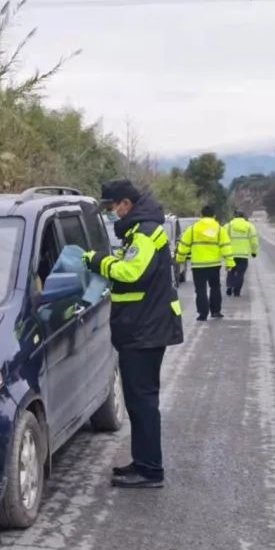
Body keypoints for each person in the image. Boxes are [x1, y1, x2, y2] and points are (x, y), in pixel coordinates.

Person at [84, 179, 183, 489]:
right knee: (139, 403)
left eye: (113, 205)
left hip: (145, 330)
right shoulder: (142, 229)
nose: (112, 212)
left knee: (142, 403)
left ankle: (151, 470)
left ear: (126, 203)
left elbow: (130, 272)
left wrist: (97, 261)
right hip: (143, 327)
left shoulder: (144, 233)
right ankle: (142, 462)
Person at [175, 205, 234, 321]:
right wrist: (229, 263)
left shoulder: (192, 229)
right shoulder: (219, 229)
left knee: (200, 289)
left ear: (201, 215)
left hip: (198, 265)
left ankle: (203, 314)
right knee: (215, 288)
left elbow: (183, 246)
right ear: (214, 216)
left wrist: (180, 259)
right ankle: (216, 311)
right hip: (214, 264)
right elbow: (226, 246)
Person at [224, 210, 258, 297]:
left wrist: (223, 252)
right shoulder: (250, 227)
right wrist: (254, 252)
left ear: (234, 216)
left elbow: (223, 239)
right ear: (244, 217)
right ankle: (237, 291)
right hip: (243, 255)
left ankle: (229, 286)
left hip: (230, 254)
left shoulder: (229, 226)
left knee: (230, 272)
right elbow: (254, 241)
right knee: (240, 274)